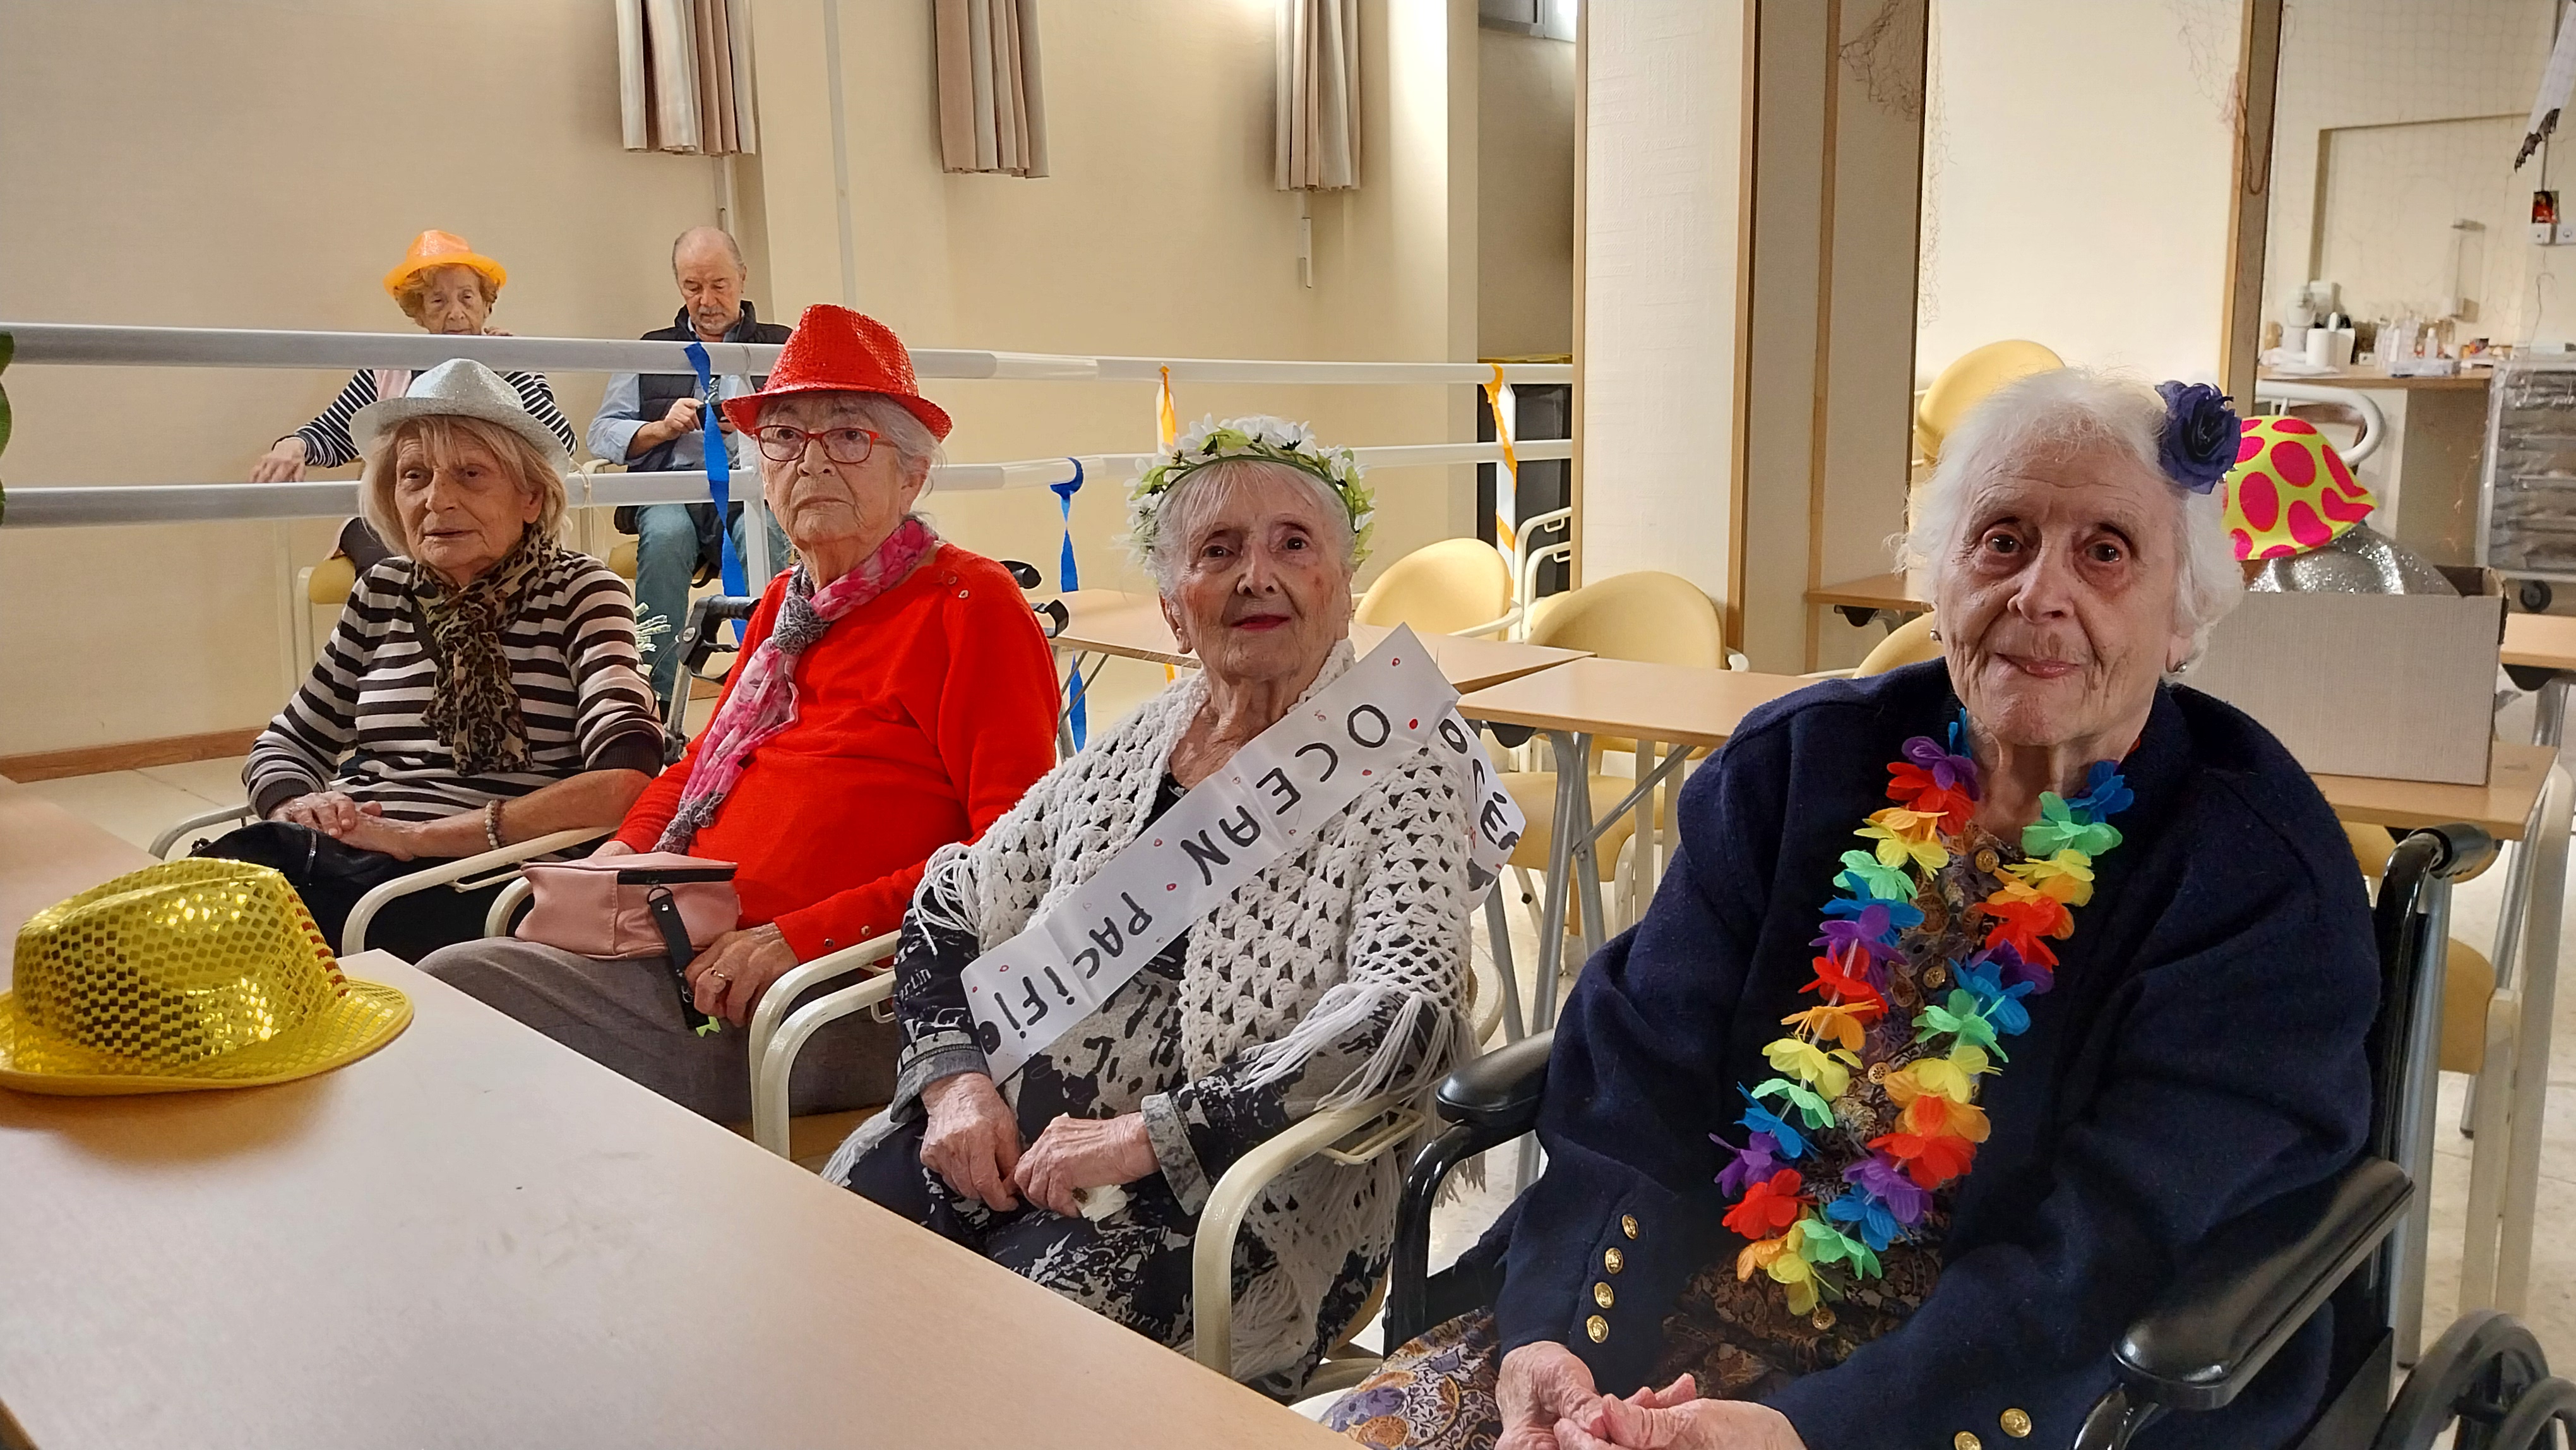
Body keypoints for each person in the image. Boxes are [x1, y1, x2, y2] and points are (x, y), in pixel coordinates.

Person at [1326, 372, 2380, 1450]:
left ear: (2185, 617)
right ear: (1940, 578)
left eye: (2105, 551)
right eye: (2002, 540)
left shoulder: (2254, 875)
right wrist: (1563, 1345)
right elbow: (1639, 1072)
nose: (2039, 594)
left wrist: (1814, 1432)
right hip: (1661, 1304)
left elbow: (2115, 1246)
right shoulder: (1801, 765)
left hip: (1991, 1386)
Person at [825, 416, 1484, 1399]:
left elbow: (1409, 1007)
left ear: (1343, 594)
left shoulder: (1403, 766)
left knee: (994, 1361)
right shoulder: (1138, 742)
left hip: (1234, 1198)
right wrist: (955, 1084)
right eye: (1218, 552)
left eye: (1293, 545)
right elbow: (952, 895)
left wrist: (1151, 1135)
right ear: (1176, 609)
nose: (1257, 575)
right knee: (838, 1248)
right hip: (1010, 1135)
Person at [420, 306, 1059, 1122]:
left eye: (849, 435)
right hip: (686, 949)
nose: (810, 460)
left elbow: (1011, 853)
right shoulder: (785, 611)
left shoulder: (971, 605)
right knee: (457, 988)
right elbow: (698, 769)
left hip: (836, 999)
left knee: (466, 1010)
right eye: (786, 437)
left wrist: (798, 937)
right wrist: (616, 859)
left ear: (913, 474)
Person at [219, 359, 661, 961]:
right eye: (414, 477)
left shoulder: (581, 590)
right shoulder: (382, 592)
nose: (436, 500)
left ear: (530, 496)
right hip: (353, 861)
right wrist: (298, 804)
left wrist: (417, 840)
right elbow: (287, 744)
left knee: (244, 939)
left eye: (471, 475)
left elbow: (624, 782)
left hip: (484, 880)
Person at [587, 226, 796, 710]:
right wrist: (660, 429)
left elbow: (811, 424)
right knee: (665, 536)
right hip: (672, 493)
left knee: (761, 532)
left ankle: (770, 682)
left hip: (752, 490)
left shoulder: (780, 347)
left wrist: (755, 423)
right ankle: (653, 700)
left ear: (742, 279)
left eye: (719, 285)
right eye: (692, 287)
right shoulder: (650, 348)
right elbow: (602, 432)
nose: (706, 300)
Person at [251, 230, 576, 493]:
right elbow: (336, 431)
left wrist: (507, 366)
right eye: (438, 301)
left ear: (486, 304)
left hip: (492, 508)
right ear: (419, 314)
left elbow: (560, 444)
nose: (456, 313)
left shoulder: (520, 360)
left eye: (467, 297)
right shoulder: (389, 367)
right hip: (399, 513)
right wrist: (294, 446)